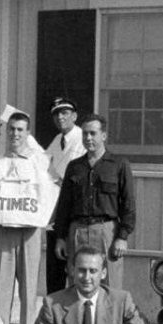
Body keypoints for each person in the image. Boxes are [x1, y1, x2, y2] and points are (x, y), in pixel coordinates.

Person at [0, 112, 53, 324]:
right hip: (5, 229)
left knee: (29, 286)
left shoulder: (39, 161)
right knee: (3, 286)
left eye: (20, 130)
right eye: (12, 129)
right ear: (7, 132)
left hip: (30, 229)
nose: (15, 134)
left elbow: (47, 191)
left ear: (28, 133)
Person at [52, 114, 135, 288]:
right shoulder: (74, 167)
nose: (88, 138)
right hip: (78, 231)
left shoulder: (119, 165)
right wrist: (61, 236)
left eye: (92, 133)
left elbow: (128, 204)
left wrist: (122, 237)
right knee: (78, 283)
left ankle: (107, 317)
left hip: (106, 231)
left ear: (103, 135)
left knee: (108, 285)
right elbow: (64, 205)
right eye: (84, 134)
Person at [44, 97, 86, 291]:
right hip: (54, 212)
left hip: (73, 211)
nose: (60, 118)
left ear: (74, 116)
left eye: (65, 113)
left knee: (74, 268)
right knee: (55, 271)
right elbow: (44, 165)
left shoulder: (81, 138)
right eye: (57, 114)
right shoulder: (56, 140)